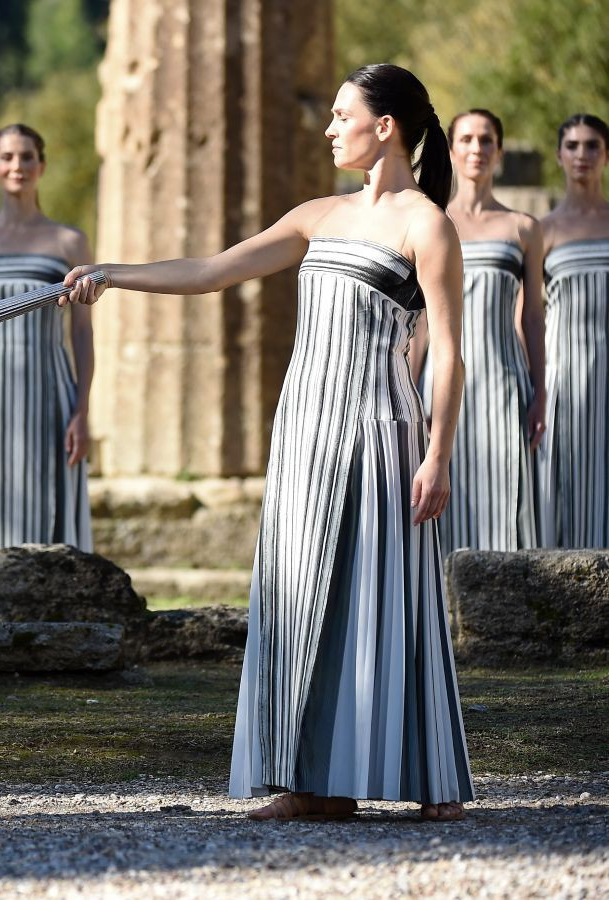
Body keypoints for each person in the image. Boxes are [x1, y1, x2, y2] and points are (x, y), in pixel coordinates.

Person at [64, 64, 472, 821]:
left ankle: (429, 777)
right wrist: (113, 275)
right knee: (296, 598)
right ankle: (312, 782)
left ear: (384, 126)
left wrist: (438, 453)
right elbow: (213, 272)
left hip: (378, 428)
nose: (327, 127)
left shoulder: (427, 224)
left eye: (342, 114)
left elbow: (447, 349)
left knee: (385, 597)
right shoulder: (317, 214)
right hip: (303, 432)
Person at [0, 123, 94, 550]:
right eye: (7, 157)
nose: (17, 166)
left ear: (41, 165)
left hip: (50, 396)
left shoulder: (69, 242)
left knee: (51, 515)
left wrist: (83, 411)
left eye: (27, 156)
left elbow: (82, 333)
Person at [411, 109, 546, 554]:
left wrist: (540, 389)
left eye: (487, 140)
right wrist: (410, 390)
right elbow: (421, 319)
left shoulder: (524, 228)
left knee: (509, 499)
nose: (477, 148)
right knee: (441, 497)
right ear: (451, 150)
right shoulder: (430, 221)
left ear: (499, 152)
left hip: (505, 381)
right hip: (442, 382)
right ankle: (445, 618)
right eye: (466, 139)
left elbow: (531, 316)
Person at [538, 114, 609, 548]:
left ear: (606, 156)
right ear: (560, 156)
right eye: (573, 146)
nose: (582, 154)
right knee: (568, 479)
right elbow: (527, 314)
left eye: (592, 146)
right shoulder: (541, 230)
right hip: (566, 375)